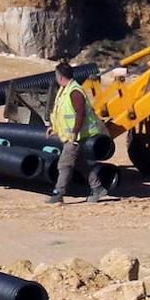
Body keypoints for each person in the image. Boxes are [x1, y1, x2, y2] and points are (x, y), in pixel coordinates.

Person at [46, 61, 108, 205]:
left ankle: (58, 193)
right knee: (81, 164)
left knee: (64, 164)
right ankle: (98, 187)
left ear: (60, 77)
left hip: (78, 136)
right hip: (72, 135)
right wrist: (54, 127)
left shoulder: (74, 91)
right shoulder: (65, 90)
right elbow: (62, 113)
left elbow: (80, 114)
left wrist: (74, 132)